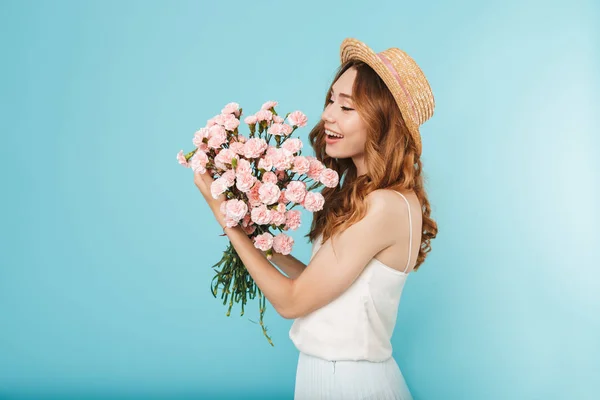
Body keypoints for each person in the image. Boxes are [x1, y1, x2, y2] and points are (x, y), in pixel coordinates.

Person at [193, 37, 437, 400]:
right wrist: (260, 237)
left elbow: (292, 302)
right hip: (329, 375)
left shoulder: (385, 205)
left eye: (347, 107)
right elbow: (324, 289)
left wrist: (226, 220)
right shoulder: (372, 196)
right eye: (331, 100)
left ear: (384, 120)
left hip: (349, 383)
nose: (328, 115)